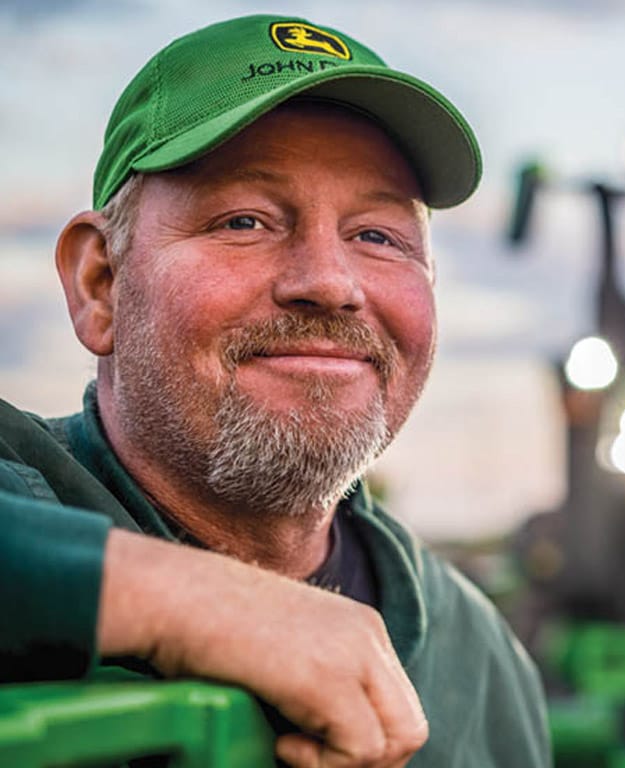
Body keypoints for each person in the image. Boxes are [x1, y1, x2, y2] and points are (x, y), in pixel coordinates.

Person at [0, 14, 550, 768]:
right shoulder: (21, 498)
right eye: (245, 220)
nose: (328, 283)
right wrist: (180, 601)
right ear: (100, 284)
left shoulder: (479, 661)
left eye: (378, 236)